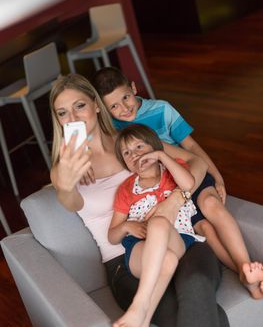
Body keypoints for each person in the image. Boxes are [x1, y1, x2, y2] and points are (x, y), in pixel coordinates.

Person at [49, 73, 230, 327]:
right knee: (190, 314)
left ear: (96, 106)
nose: (73, 118)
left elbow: (195, 162)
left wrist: (175, 201)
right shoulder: (64, 166)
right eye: (62, 113)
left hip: (180, 239)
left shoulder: (131, 140)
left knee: (197, 287)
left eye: (79, 106)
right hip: (125, 262)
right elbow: (71, 202)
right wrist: (66, 185)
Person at [92, 66, 263, 299]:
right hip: (166, 186)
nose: (123, 108)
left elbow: (191, 148)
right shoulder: (114, 130)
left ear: (133, 88)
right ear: (104, 109)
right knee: (204, 228)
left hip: (187, 172)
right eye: (114, 106)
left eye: (125, 98)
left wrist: (217, 175)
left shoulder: (161, 109)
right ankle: (243, 274)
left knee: (212, 204)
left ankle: (246, 264)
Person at [109, 123, 206, 327]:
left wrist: (162, 156)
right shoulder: (126, 189)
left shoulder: (171, 170)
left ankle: (139, 303)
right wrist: (127, 226)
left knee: (160, 223)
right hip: (140, 247)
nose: (134, 155)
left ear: (154, 147)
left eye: (139, 147)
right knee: (168, 260)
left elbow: (188, 184)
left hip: (177, 238)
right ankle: (141, 320)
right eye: (126, 153)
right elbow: (112, 236)